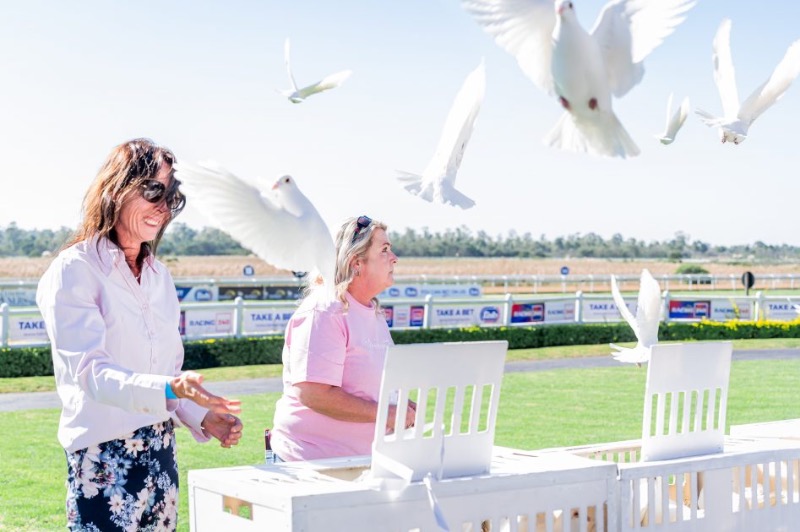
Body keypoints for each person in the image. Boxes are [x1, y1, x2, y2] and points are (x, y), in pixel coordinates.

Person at [36, 138, 243, 531]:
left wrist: (203, 417)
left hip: (162, 454)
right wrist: (173, 388)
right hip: (102, 461)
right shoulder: (74, 270)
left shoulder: (159, 276)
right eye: (154, 191)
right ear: (117, 188)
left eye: (174, 197)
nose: (164, 207)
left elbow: (168, 375)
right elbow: (92, 374)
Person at [270, 215, 415, 461]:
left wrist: (400, 405)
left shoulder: (373, 313)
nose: (394, 258)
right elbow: (314, 393)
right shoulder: (324, 310)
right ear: (356, 262)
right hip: (313, 465)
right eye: (385, 250)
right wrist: (386, 413)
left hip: (362, 462)